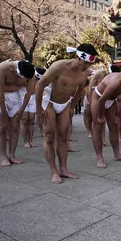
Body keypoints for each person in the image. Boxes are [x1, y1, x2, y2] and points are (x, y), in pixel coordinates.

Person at [36, 44, 96, 184]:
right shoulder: (59, 66)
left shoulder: (86, 72)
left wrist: (72, 106)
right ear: (77, 57)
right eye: (85, 62)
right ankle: (54, 171)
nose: (86, 66)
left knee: (63, 136)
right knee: (50, 136)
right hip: (49, 101)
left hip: (65, 103)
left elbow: (80, 89)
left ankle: (64, 169)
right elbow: (40, 85)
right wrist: (39, 108)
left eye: (89, 63)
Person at [0, 60, 36, 167]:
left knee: (15, 127)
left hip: (16, 96)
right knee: (1, 127)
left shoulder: (31, 73)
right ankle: (4, 157)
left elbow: (29, 93)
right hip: (0, 96)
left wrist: (22, 110)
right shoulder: (3, 68)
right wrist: (3, 111)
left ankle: (12, 155)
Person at [22, 67, 45, 148]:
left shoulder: (41, 78)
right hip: (23, 96)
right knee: (25, 120)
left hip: (33, 98)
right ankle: (25, 141)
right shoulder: (28, 75)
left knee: (31, 120)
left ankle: (30, 141)